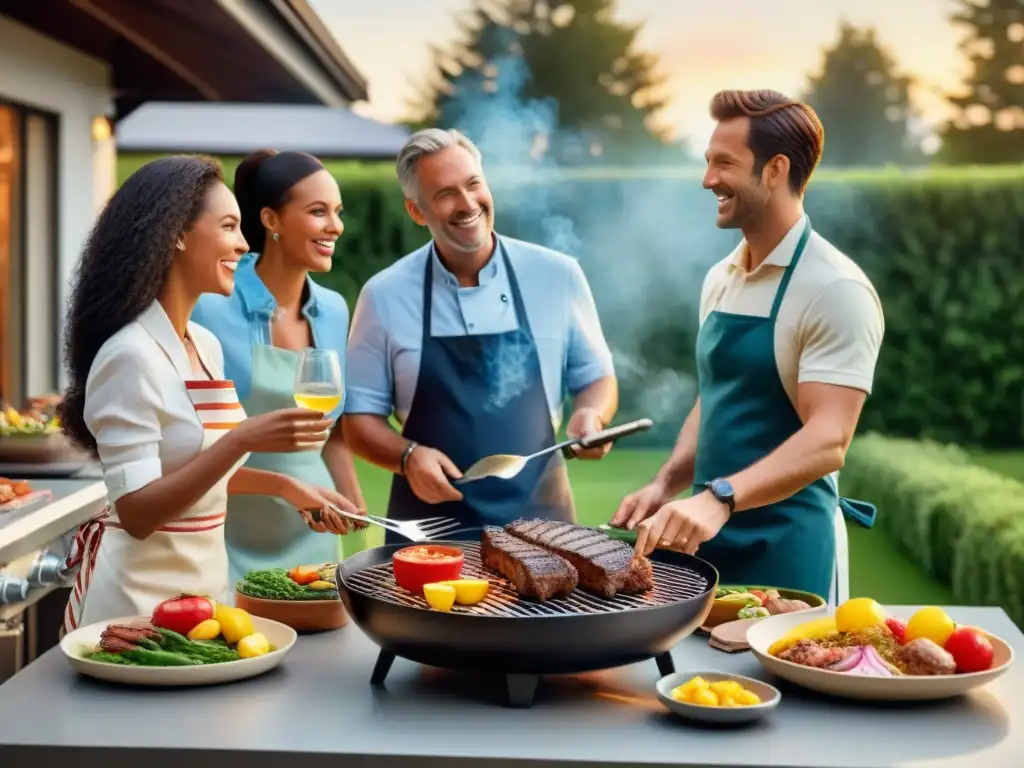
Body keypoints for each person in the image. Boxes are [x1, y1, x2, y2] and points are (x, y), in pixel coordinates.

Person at [59, 156, 360, 632]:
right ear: (177, 235)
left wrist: (287, 488)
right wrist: (243, 439)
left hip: (204, 594)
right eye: (228, 226)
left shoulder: (203, 345)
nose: (243, 245)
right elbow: (135, 512)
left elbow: (200, 475)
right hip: (138, 603)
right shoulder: (130, 355)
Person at [610, 89, 883, 606]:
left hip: (790, 552)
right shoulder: (722, 277)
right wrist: (667, 483)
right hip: (703, 541)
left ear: (775, 169)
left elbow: (829, 438)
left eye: (724, 163)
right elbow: (715, 396)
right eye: (708, 162)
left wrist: (722, 497)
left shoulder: (834, 289)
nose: (707, 179)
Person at [342, 128, 617, 541]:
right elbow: (358, 419)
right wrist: (408, 455)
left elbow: (597, 377)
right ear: (417, 211)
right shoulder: (384, 295)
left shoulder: (557, 275)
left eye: (473, 184)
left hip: (546, 530)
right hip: (430, 535)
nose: (467, 203)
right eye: (446, 193)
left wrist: (591, 415)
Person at [192, 149, 367, 587]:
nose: (336, 226)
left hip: (317, 534)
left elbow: (333, 432)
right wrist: (285, 487)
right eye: (318, 212)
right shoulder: (210, 308)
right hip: (227, 538)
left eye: (338, 212)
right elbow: (186, 454)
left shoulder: (332, 309)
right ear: (270, 220)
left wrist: (352, 499)